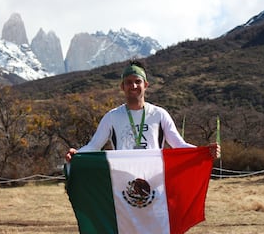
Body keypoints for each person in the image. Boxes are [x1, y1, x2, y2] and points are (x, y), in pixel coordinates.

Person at [65, 60, 220, 162]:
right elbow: (94, 146)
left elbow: (179, 145)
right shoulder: (112, 117)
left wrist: (205, 152)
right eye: (128, 82)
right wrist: (77, 154)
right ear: (122, 87)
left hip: (155, 180)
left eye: (137, 82)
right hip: (123, 182)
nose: (133, 86)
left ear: (145, 85)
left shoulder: (159, 114)